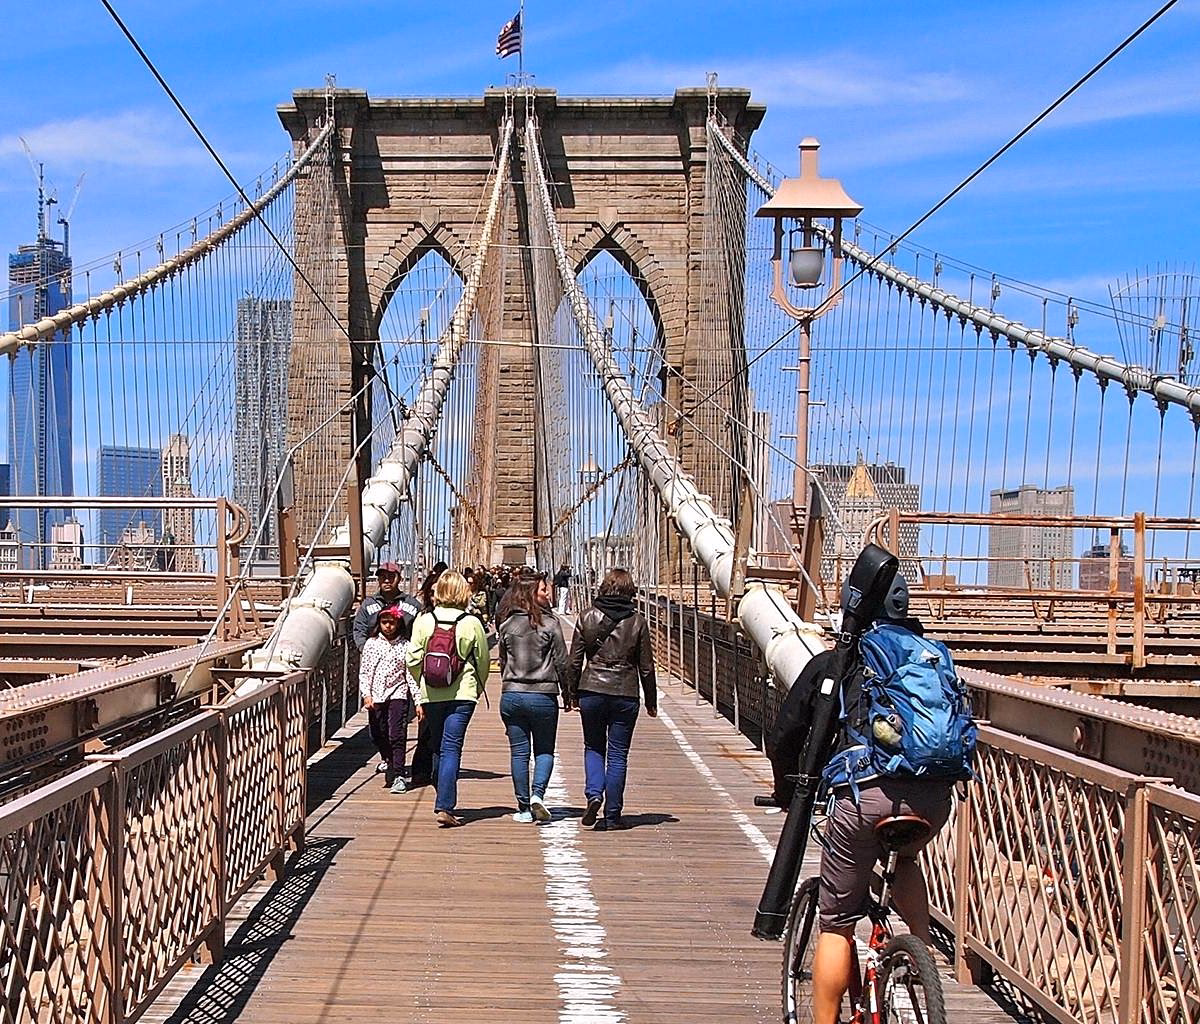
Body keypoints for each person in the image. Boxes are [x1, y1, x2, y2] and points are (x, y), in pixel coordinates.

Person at [766, 574, 956, 1024]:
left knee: (836, 922)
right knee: (904, 859)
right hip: (934, 798)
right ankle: (920, 956)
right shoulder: (933, 657)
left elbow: (786, 733)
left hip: (864, 796)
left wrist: (785, 789)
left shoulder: (839, 662)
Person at [565, 567, 657, 831]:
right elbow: (646, 667)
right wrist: (651, 701)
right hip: (625, 692)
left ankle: (594, 794)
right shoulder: (637, 622)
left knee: (593, 747)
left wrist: (571, 694)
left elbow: (574, 661)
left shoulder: (587, 617)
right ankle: (613, 815)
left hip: (592, 690)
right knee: (618, 754)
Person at [407, 570, 491, 827]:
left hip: (432, 694)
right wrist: (476, 688)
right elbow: (483, 661)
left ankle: (440, 790)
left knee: (437, 744)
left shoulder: (424, 620)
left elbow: (412, 660)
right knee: (451, 746)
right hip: (462, 694)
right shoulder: (471, 622)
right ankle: (445, 805)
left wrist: (423, 682)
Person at [496, 577, 568, 823]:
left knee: (519, 753)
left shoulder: (506, 625)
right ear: (531, 594)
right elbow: (562, 661)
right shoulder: (550, 624)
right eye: (543, 589)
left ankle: (524, 809)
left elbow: (503, 661)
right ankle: (538, 795)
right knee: (544, 750)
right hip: (543, 695)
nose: (548, 593)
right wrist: (569, 694)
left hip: (512, 695)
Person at [351, 562, 420, 775]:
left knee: (396, 727)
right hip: (376, 676)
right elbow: (358, 629)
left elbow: (420, 631)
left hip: (401, 673)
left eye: (391, 576)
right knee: (377, 730)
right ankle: (387, 757)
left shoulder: (412, 605)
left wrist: (413, 654)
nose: (387, 580)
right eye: (382, 576)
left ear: (399, 578)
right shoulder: (368, 605)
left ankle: (396, 768)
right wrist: (368, 649)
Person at [359, 605, 418, 793]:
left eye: (392, 623)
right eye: (384, 622)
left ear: (398, 624)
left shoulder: (405, 646)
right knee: (377, 733)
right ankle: (389, 759)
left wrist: (417, 700)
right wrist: (366, 694)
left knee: (396, 734)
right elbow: (365, 672)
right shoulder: (371, 644)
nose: (388, 626)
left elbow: (410, 675)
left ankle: (399, 774)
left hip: (398, 693)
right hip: (376, 695)